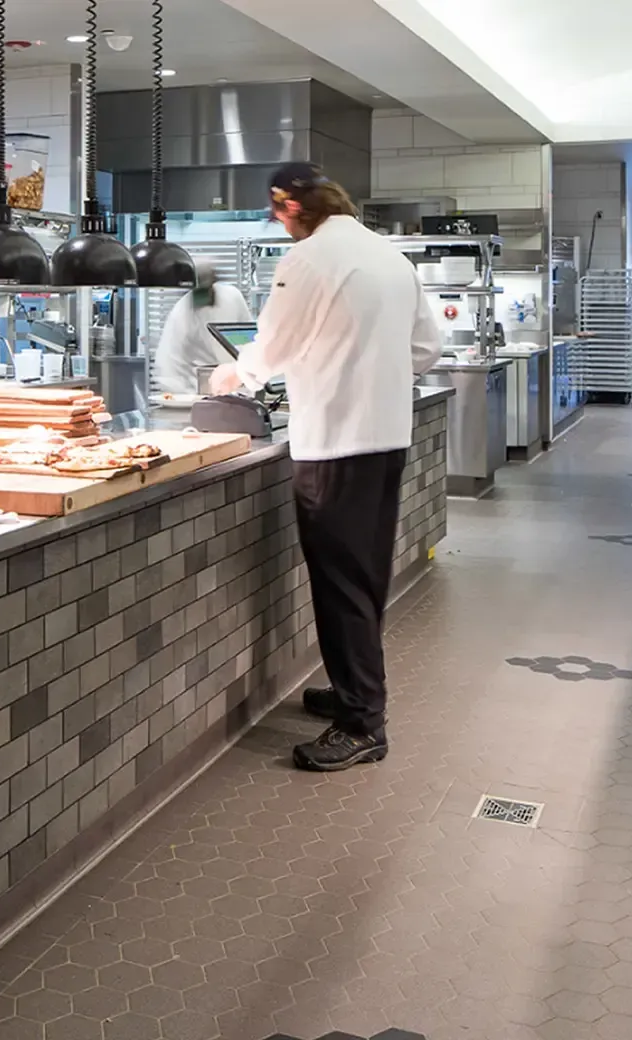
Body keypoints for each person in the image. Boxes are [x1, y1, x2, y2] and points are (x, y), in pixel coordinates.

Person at [210, 162, 441, 772]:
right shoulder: (390, 257)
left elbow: (276, 344)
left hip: (335, 444)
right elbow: (427, 348)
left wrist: (236, 374)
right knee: (362, 580)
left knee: (342, 586)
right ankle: (350, 692)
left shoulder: (307, 259)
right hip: (385, 439)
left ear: (287, 208)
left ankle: (362, 723)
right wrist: (374, 378)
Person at [153, 258, 253, 394]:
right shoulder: (181, 313)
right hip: (201, 389)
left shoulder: (232, 298)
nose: (204, 296)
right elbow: (169, 364)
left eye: (206, 287)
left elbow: (248, 340)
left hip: (238, 383)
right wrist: (186, 397)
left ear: (214, 281)